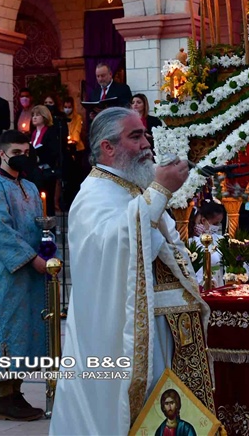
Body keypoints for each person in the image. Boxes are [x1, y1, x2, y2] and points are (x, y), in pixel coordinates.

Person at [50, 108, 214, 436]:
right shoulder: (92, 195)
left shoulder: (132, 187)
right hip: (121, 333)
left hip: (160, 324)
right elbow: (118, 247)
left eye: (145, 135)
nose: (146, 144)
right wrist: (159, 192)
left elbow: (164, 246)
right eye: (135, 136)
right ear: (108, 147)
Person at [0, 130, 46, 422]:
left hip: (29, 273)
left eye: (26, 151)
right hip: (2, 273)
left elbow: (38, 226)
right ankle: (5, 398)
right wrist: (32, 258)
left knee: (23, 333)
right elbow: (0, 231)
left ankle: (16, 393)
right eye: (16, 151)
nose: (22, 156)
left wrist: (47, 248)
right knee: (4, 332)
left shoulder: (28, 186)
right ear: (2, 154)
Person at [30, 105, 61, 217]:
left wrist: (39, 156)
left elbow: (53, 151)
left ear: (44, 117)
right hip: (35, 172)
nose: (34, 117)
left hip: (46, 171)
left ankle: (49, 229)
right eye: (33, 115)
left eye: (37, 115)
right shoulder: (33, 133)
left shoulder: (50, 132)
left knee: (47, 202)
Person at [188, 200, 226, 288]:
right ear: (204, 220)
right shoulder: (193, 241)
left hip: (218, 279)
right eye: (215, 223)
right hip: (200, 281)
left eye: (219, 223)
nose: (217, 226)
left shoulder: (219, 239)